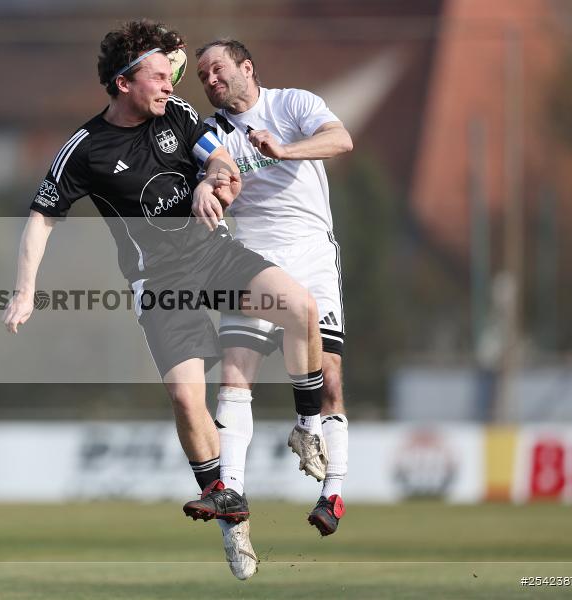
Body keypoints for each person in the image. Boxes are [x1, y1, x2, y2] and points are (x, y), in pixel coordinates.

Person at [1, 20, 326, 580]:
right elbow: (40, 221)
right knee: (184, 394)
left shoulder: (177, 115)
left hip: (215, 255)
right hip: (159, 281)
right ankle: (227, 509)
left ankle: (308, 427)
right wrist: (25, 290)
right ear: (125, 82)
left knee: (300, 307)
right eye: (159, 76)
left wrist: (209, 179)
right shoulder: (83, 150)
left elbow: (222, 160)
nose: (171, 85)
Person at [194, 39, 353, 543]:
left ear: (247, 67)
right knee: (236, 373)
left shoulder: (293, 104)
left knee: (328, 374)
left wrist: (284, 149)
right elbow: (214, 173)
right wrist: (209, 188)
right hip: (254, 260)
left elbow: (341, 139)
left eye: (217, 69)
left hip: (310, 254)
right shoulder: (211, 133)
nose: (211, 80)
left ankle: (332, 491)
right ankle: (231, 492)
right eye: (203, 77)